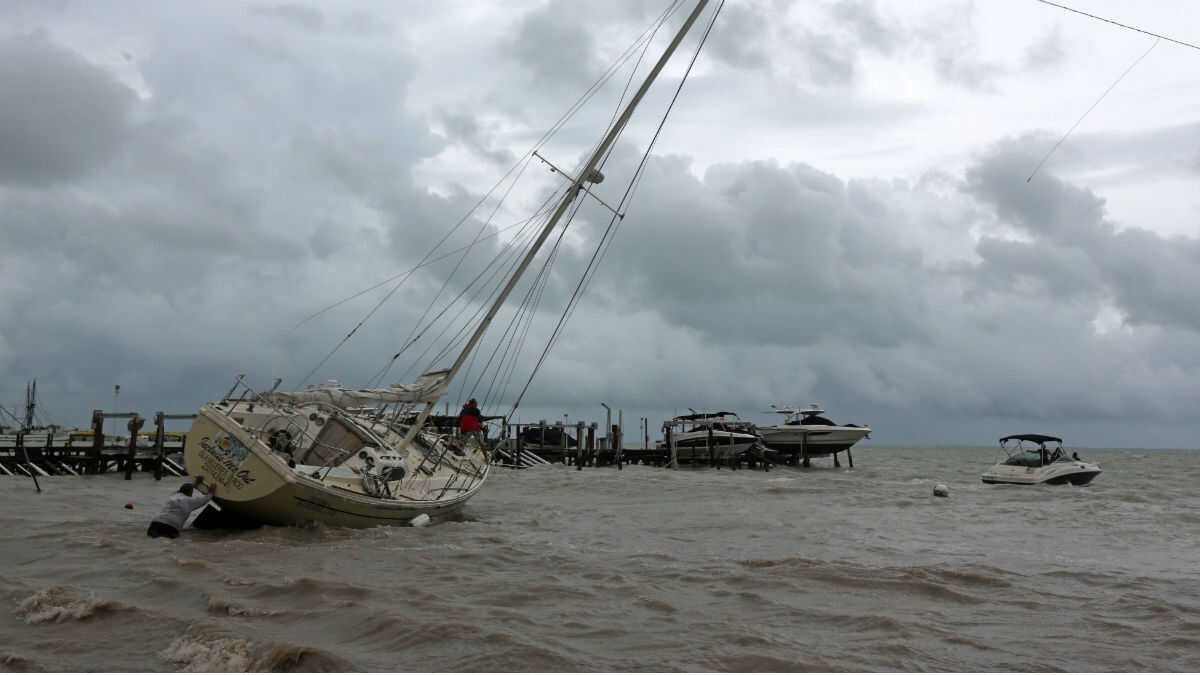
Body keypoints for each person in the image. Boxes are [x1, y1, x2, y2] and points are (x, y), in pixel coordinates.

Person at [147, 476, 216, 539]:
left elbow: (188, 488)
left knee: (151, 541)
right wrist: (212, 490)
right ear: (190, 493)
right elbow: (206, 498)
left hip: (156, 523)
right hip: (171, 527)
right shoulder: (190, 501)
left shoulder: (173, 495)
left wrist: (196, 483)